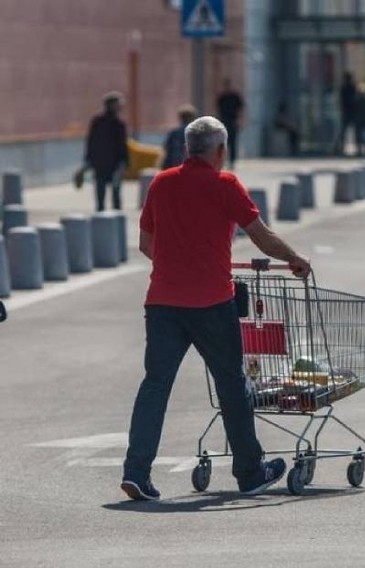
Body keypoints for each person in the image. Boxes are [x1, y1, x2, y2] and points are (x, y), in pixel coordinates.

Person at [121, 116, 312, 501]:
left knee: (155, 386)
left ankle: (136, 473)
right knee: (232, 385)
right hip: (211, 304)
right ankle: (249, 472)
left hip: (162, 303)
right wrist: (294, 259)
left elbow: (146, 243)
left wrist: (178, 263)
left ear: (186, 148)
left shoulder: (161, 183)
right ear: (221, 150)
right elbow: (261, 237)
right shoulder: (225, 185)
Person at [77, 91, 129, 211]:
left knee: (107, 193)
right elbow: (92, 142)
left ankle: (107, 219)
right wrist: (124, 162)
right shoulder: (112, 123)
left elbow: (90, 142)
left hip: (105, 163)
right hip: (109, 163)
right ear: (111, 104)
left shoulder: (102, 122)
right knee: (109, 194)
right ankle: (112, 219)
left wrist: (88, 159)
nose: (121, 106)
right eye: (118, 103)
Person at [215, 79, 244, 169]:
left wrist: (240, 120)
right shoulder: (222, 97)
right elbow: (217, 110)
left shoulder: (235, 97)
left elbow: (241, 109)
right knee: (223, 143)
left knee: (233, 143)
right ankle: (224, 161)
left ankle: (232, 161)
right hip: (224, 122)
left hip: (233, 122)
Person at [161, 105, 197, 169]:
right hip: (192, 166)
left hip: (175, 165)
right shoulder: (197, 133)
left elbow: (166, 148)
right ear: (193, 118)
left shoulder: (174, 133)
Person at [337, 72, 357, 156]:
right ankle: (357, 147)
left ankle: (341, 147)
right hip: (351, 111)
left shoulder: (345, 88)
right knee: (352, 131)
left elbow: (341, 100)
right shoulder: (352, 87)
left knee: (344, 131)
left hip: (348, 112)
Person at [354, 82, 365, 157]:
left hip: (359, 120)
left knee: (359, 136)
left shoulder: (358, 100)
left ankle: (360, 150)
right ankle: (364, 150)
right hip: (363, 120)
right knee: (363, 136)